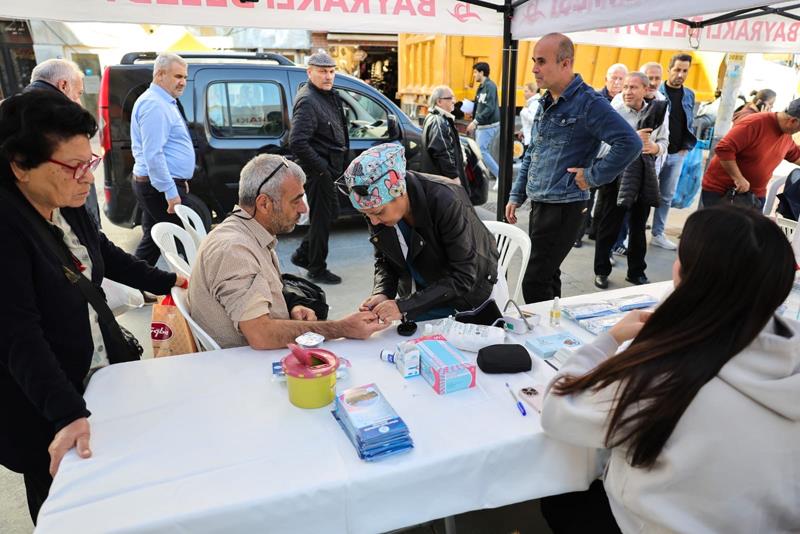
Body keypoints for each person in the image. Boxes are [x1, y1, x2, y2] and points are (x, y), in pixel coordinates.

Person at [540, 205, 799, 533]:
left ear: (689, 277)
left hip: (653, 523)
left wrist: (609, 339)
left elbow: (559, 409)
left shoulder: (664, 375)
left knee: (560, 498)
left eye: (682, 256)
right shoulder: (787, 345)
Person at [0, 91, 184, 524]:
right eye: (73, 166)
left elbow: (99, 251)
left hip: (98, 373)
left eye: (91, 162)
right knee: (65, 503)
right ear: (20, 166)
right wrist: (66, 413)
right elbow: (18, 336)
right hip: (41, 400)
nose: (86, 178)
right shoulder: (8, 227)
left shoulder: (68, 200)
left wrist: (166, 280)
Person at [188, 154, 387, 349]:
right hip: (247, 365)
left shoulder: (248, 232)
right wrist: (342, 328)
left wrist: (291, 307)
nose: (303, 209)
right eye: (296, 200)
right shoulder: (233, 250)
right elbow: (261, 334)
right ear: (263, 203)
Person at [506, 33, 641, 304]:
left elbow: (630, 143)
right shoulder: (547, 100)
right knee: (547, 275)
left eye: (542, 61)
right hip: (542, 204)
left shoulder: (589, 103)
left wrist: (592, 176)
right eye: (534, 60)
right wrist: (516, 194)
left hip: (565, 207)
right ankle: (552, 332)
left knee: (535, 279)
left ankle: (540, 337)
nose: (534, 68)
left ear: (565, 64)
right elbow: (534, 150)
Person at [343, 143, 500, 322]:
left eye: (378, 213)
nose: (373, 221)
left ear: (399, 191)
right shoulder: (376, 206)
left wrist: (404, 306)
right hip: (425, 291)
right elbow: (384, 259)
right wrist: (383, 292)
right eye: (367, 215)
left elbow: (464, 275)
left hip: (471, 293)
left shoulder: (446, 200)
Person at [593, 72, 669, 290]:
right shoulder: (613, 114)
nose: (627, 91)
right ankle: (601, 271)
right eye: (625, 87)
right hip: (616, 177)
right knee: (609, 226)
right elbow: (599, 147)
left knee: (638, 227)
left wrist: (654, 147)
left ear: (646, 90)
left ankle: (636, 272)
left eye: (633, 87)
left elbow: (664, 142)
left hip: (644, 176)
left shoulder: (658, 113)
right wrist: (632, 141)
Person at [289, 52, 350, 285]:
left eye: (332, 71)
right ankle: (316, 268)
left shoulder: (326, 95)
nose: (328, 76)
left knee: (328, 215)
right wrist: (322, 168)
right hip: (319, 171)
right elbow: (297, 142)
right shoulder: (308, 100)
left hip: (330, 169)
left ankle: (303, 254)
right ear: (310, 72)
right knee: (322, 218)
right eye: (323, 71)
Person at [130, 52, 195, 266]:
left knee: (153, 239)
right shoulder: (155, 104)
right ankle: (193, 290)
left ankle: (134, 285)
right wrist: (170, 191)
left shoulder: (163, 101)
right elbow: (153, 154)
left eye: (184, 77)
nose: (183, 82)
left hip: (159, 182)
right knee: (185, 239)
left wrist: (179, 178)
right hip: (158, 186)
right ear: (159, 75)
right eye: (177, 76)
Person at [24, 58, 102, 229]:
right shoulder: (56, 116)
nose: (80, 103)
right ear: (63, 85)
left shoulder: (16, 111)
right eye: (79, 94)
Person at [701, 98, 800, 209]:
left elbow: (795, 155)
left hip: (755, 195)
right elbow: (724, 149)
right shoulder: (755, 123)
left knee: (755, 226)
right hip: (725, 192)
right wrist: (738, 178)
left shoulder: (786, 134)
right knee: (724, 226)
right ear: (793, 121)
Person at [652, 53, 697, 251]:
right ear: (669, 69)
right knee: (644, 193)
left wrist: (686, 147)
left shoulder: (689, 95)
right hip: (656, 152)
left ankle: (657, 233)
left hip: (677, 153)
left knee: (667, 196)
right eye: (677, 69)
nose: (680, 74)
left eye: (684, 71)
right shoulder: (657, 91)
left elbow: (690, 121)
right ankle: (628, 233)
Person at [420, 85, 466, 187]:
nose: (454, 101)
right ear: (439, 102)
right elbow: (442, 151)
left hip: (439, 182)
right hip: (442, 183)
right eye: (450, 98)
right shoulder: (438, 121)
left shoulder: (437, 118)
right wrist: (454, 176)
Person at [465, 62, 500, 180]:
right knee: (479, 151)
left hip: (488, 125)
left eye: (475, 72)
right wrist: (472, 112)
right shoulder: (481, 87)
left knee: (482, 151)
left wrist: (475, 122)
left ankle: (500, 175)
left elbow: (489, 107)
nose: (474, 75)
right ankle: (482, 176)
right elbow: (480, 104)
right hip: (482, 125)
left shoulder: (490, 86)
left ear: (481, 72)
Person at [519, 81, 541, 148]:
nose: (524, 93)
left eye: (526, 91)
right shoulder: (531, 102)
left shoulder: (535, 103)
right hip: (530, 138)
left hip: (532, 139)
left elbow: (534, 120)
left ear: (533, 92)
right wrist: (522, 130)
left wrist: (524, 111)